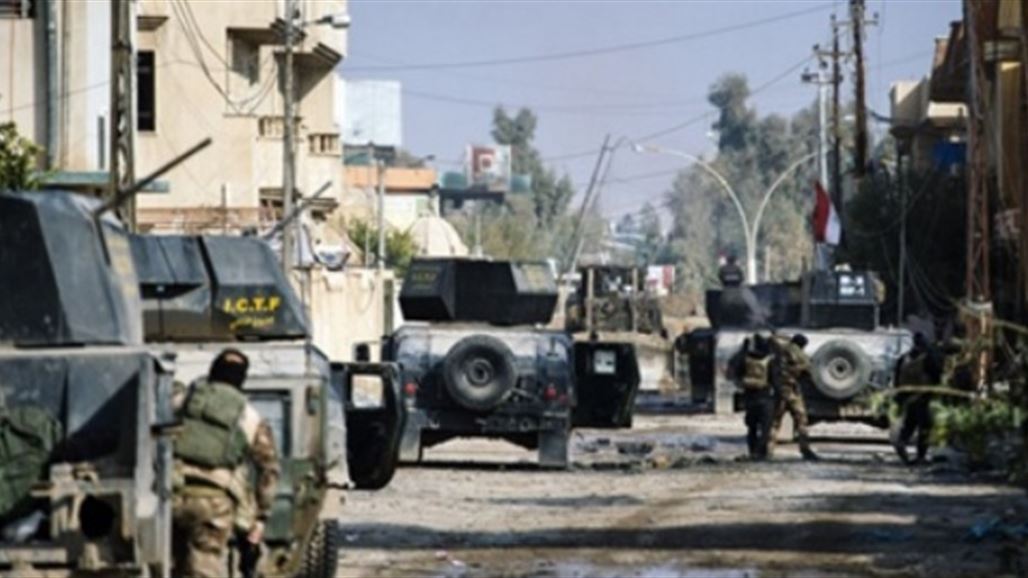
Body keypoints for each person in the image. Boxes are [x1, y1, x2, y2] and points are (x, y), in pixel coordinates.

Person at [171, 349, 279, 577]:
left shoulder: (183, 400)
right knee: (204, 568)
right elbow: (269, 470)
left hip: (172, 494)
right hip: (213, 503)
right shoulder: (250, 417)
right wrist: (260, 518)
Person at [893, 333, 943, 464]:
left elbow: (897, 381)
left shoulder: (903, 359)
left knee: (909, 424)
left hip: (907, 398)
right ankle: (921, 455)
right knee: (925, 427)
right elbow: (936, 375)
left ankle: (901, 443)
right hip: (922, 397)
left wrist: (899, 399)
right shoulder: (927, 358)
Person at [768, 333, 819, 461]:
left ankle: (768, 450)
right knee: (801, 421)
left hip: (779, 392)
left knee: (774, 422)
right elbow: (809, 371)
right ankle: (805, 450)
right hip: (792, 392)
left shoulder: (778, 354)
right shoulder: (799, 354)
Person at [731, 334, 778, 460]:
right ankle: (760, 453)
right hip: (766, 397)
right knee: (765, 428)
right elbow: (775, 380)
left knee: (752, 428)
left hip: (750, 397)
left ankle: (753, 451)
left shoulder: (745, 359)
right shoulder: (770, 361)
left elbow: (736, 372)